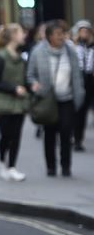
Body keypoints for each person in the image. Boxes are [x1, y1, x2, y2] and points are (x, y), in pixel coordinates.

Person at [27, 20, 85, 177]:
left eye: (63, 34)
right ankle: (51, 166)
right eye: (59, 34)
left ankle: (66, 165)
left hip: (67, 98)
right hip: (47, 99)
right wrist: (34, 85)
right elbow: (30, 75)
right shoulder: (38, 52)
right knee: (50, 133)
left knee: (66, 132)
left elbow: (77, 75)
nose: (62, 37)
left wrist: (79, 95)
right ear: (49, 36)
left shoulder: (70, 51)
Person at [0, 24, 29, 181]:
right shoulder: (1, 56)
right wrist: (13, 89)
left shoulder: (21, 57)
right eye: (21, 33)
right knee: (6, 135)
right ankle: (2, 162)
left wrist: (30, 86)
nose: (24, 35)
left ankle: (12, 166)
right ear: (13, 36)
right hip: (3, 103)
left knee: (16, 136)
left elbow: (24, 78)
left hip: (19, 103)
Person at [72, 19, 93, 151]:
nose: (84, 34)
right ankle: (73, 135)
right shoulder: (72, 47)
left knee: (83, 112)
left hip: (89, 81)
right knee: (75, 111)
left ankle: (79, 139)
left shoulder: (92, 48)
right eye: (82, 31)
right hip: (76, 80)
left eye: (87, 31)